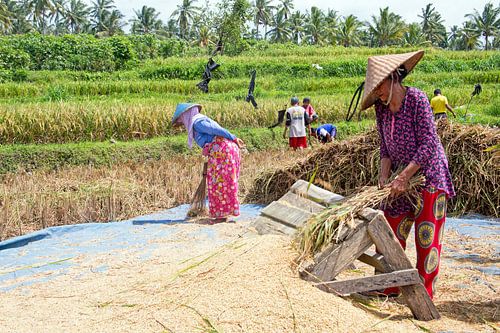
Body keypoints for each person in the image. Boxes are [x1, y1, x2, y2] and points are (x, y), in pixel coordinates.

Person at [360, 50, 455, 299]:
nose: (377, 93)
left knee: (426, 239)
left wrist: (404, 176)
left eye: (379, 86)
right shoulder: (380, 110)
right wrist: (384, 175)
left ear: (393, 78)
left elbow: (429, 144)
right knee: (389, 232)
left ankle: (423, 296)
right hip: (400, 182)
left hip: (428, 178)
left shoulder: (417, 100)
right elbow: (385, 147)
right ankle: (388, 286)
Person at [172, 103, 245, 223]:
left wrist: (234, 137)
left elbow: (217, 130)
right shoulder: (196, 123)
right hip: (220, 152)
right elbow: (210, 137)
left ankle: (221, 215)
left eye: (181, 118)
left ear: (186, 115)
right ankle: (223, 214)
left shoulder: (198, 122)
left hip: (223, 151)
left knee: (220, 183)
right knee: (221, 182)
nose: (181, 121)